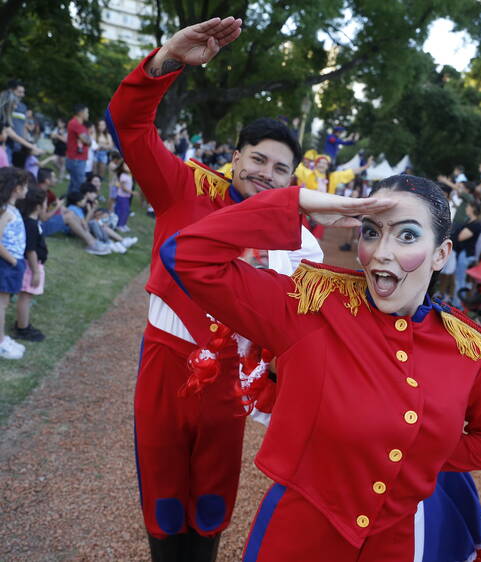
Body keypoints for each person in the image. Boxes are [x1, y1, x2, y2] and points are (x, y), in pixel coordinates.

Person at [160, 174, 481, 560]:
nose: (381, 252)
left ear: (442, 254)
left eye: (407, 236)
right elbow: (185, 255)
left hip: (395, 545)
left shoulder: (466, 348)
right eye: (371, 231)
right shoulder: (308, 305)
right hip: (296, 536)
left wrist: (416, 454)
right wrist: (296, 203)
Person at [106, 16, 325, 561]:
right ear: (235, 157)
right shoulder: (186, 188)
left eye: (281, 169)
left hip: (231, 377)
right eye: (257, 159)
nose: (266, 175)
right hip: (165, 360)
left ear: (291, 179)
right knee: (162, 496)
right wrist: (168, 61)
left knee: (210, 501)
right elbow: (129, 126)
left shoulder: (294, 236)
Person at [0, 167, 28, 359]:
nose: (27, 189)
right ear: (16, 188)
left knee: (4, 303)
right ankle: (0, 342)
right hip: (6, 264)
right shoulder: (5, 212)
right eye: (25, 186)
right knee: (1, 304)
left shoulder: (11, 209)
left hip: (12, 264)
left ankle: (2, 337)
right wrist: (13, 261)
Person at [14, 186, 47, 341]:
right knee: (25, 297)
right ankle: (22, 328)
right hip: (30, 266)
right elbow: (30, 251)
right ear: (39, 206)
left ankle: (22, 323)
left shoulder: (31, 221)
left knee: (26, 297)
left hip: (32, 265)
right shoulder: (31, 225)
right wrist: (36, 272)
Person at [65, 104, 91, 196]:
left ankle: (69, 206)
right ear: (81, 113)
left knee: (73, 185)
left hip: (78, 159)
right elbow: (87, 141)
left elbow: (87, 140)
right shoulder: (75, 124)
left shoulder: (80, 125)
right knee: (79, 186)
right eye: (87, 112)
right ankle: (74, 207)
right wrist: (88, 140)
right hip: (76, 159)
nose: (88, 114)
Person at [114, 160, 134, 232]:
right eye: (126, 165)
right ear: (122, 167)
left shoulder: (129, 175)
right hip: (122, 196)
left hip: (126, 197)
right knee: (122, 211)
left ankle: (123, 224)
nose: (128, 167)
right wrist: (132, 192)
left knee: (126, 211)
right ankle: (119, 225)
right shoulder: (123, 176)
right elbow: (123, 187)